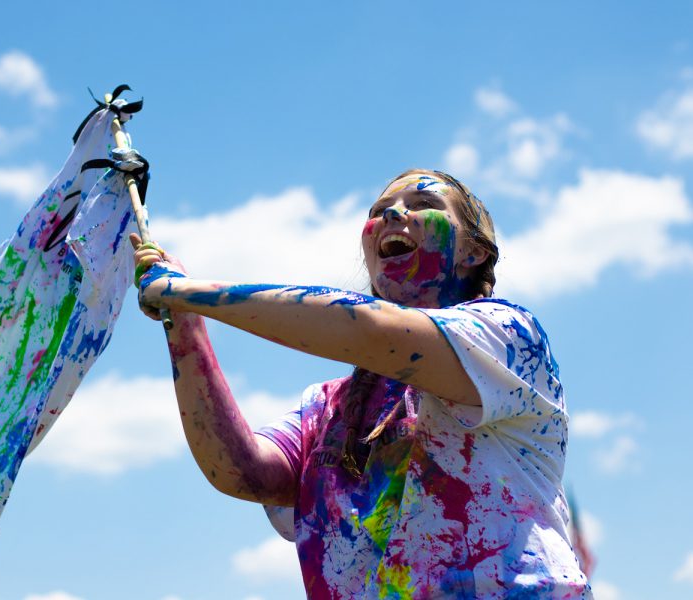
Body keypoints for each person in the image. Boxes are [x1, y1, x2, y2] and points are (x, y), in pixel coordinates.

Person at [130, 169, 591, 599]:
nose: (393, 213)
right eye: (379, 210)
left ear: (475, 252)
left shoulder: (509, 338)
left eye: (422, 202)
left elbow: (371, 332)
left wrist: (188, 292)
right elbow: (241, 471)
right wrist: (184, 324)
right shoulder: (329, 406)